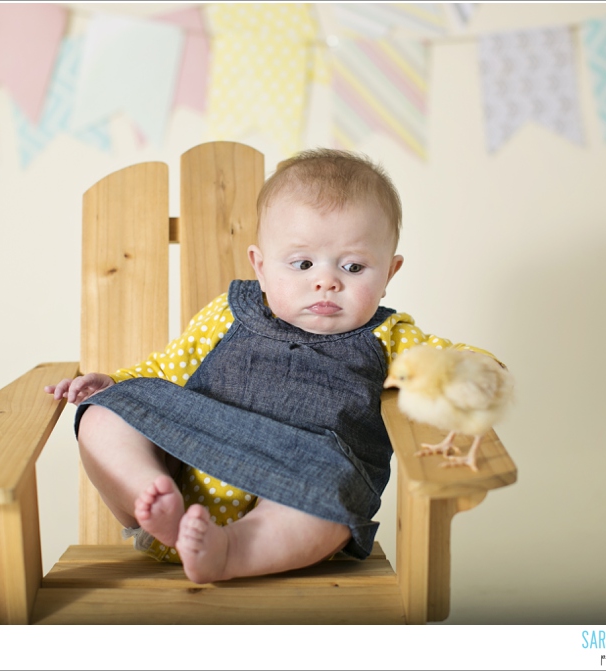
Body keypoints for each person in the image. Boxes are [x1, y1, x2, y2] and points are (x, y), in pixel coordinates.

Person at [45, 148, 498, 584]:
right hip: (194, 451)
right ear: (260, 267)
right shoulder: (229, 313)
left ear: (389, 274)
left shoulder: (391, 336)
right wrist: (116, 383)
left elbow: (452, 367)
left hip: (304, 474)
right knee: (105, 413)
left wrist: (481, 371)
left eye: (354, 267)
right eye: (302, 263)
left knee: (333, 500)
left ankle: (230, 551)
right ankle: (151, 494)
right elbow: (169, 366)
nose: (326, 280)